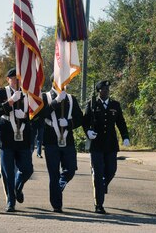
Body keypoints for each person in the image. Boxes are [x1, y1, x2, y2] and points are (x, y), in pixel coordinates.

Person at [83, 80, 130, 214]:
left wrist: (125, 136)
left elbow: (121, 122)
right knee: (98, 174)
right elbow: (85, 121)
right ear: (99, 91)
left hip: (110, 144)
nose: (106, 92)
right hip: (96, 144)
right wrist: (88, 132)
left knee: (111, 170)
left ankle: (101, 186)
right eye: (104, 90)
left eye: (108, 90)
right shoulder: (92, 104)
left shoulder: (115, 105)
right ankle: (99, 204)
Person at [0, 67, 34, 213]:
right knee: (8, 172)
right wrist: (10, 102)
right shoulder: (1, 92)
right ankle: (11, 202)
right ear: (8, 79)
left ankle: (18, 187)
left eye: (19, 78)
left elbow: (35, 114)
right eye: (14, 78)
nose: (17, 81)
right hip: (6, 138)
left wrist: (26, 115)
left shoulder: (27, 93)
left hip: (23, 138)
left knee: (28, 169)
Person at [41, 75, 83, 213]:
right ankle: (56, 205)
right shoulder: (45, 97)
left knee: (70, 169)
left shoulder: (71, 98)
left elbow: (79, 118)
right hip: (51, 141)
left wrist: (69, 124)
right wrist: (55, 102)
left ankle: (60, 184)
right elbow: (41, 116)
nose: (63, 84)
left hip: (68, 141)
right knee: (53, 174)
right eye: (60, 81)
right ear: (53, 82)